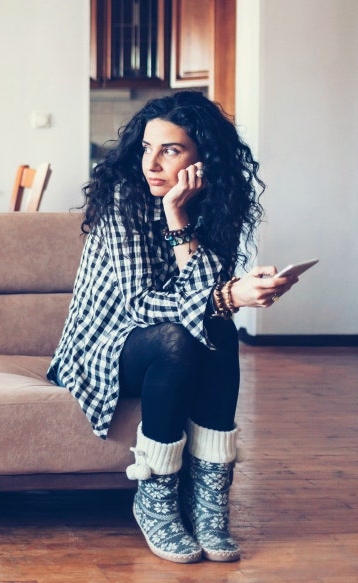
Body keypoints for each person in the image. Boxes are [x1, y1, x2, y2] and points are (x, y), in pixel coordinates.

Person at [47, 90, 298, 564]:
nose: (153, 163)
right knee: (182, 332)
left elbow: (202, 296)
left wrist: (183, 220)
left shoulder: (216, 203)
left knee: (218, 329)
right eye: (147, 148)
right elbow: (143, 306)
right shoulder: (124, 202)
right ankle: (155, 499)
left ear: (204, 157)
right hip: (103, 346)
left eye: (171, 149)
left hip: (168, 338)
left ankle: (208, 503)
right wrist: (226, 291)